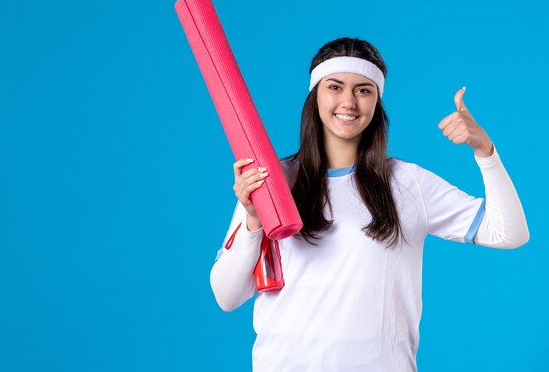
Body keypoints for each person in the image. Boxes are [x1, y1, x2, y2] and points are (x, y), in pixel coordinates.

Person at [209, 37, 530, 372]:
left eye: (363, 90)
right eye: (335, 87)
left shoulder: (408, 183)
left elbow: (510, 233)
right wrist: (253, 221)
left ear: (377, 102)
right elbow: (226, 296)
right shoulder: (273, 181)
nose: (348, 101)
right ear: (315, 96)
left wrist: (485, 150)